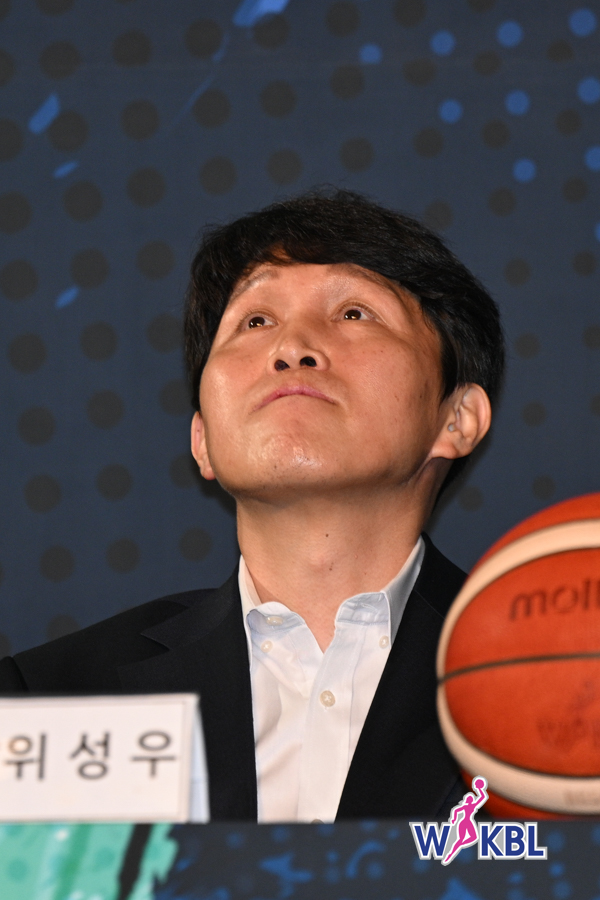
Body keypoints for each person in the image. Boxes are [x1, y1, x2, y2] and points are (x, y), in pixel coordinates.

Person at [0, 189, 504, 822]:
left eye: (354, 312)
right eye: (255, 321)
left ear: (457, 418)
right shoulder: (48, 702)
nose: (292, 347)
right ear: (203, 439)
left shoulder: (560, 678)